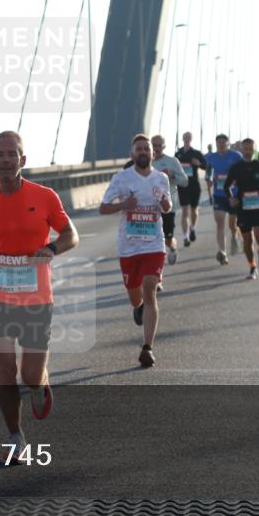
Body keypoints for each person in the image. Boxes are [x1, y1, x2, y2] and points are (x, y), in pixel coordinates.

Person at [0, 131, 79, 463]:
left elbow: (71, 234)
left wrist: (52, 248)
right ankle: (15, 435)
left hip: (37, 299)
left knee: (28, 376)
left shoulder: (44, 197)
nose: (6, 159)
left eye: (12, 154)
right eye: (1, 154)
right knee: (4, 370)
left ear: (22, 160)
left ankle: (40, 383)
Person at [99, 134, 173, 367]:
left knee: (150, 290)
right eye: (138, 149)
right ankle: (137, 307)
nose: (143, 152)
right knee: (135, 294)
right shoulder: (121, 179)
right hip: (128, 247)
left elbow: (168, 206)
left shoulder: (161, 178)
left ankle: (147, 348)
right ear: (132, 155)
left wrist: (164, 204)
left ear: (153, 154)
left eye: (146, 149)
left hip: (154, 244)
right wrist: (124, 205)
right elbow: (103, 208)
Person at [225, 138, 259, 280]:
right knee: (247, 241)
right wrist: (231, 198)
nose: (248, 152)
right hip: (243, 207)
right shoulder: (236, 168)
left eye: (250, 149)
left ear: (254, 150)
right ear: (241, 150)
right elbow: (226, 186)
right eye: (245, 149)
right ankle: (252, 267)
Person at [204, 134, 243, 264]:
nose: (221, 144)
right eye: (219, 142)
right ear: (216, 144)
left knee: (232, 224)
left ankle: (234, 236)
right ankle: (223, 252)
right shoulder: (212, 157)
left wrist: (237, 179)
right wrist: (209, 178)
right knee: (220, 223)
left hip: (233, 195)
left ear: (228, 143)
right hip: (219, 194)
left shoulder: (236, 156)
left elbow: (243, 169)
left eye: (223, 142)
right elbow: (208, 170)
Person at [151, 134, 189, 265]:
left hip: (168, 207)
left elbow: (185, 182)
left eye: (159, 146)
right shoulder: (145, 162)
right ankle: (156, 270)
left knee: (167, 239)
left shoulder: (172, 161)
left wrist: (172, 175)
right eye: (153, 145)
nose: (156, 148)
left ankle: (172, 247)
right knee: (152, 240)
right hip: (149, 207)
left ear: (164, 147)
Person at [174, 131, 206, 248]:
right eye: (185, 137)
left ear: (191, 139)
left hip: (194, 186)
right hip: (183, 186)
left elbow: (206, 166)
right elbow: (173, 168)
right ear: (183, 139)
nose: (187, 139)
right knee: (185, 211)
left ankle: (192, 228)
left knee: (194, 210)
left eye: (189, 137)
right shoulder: (178, 154)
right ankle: (185, 237)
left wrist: (198, 163)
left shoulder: (196, 153)